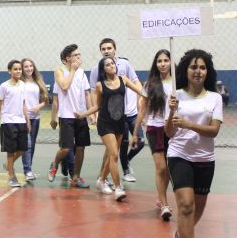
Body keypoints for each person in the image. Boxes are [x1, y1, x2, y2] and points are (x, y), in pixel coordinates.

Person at [166, 49, 222, 238]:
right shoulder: (175, 96)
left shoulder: (214, 98)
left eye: (201, 67)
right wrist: (170, 114)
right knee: (186, 206)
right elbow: (169, 133)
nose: (197, 71)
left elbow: (214, 131)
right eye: (193, 67)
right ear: (185, 71)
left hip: (205, 160)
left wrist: (188, 124)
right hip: (179, 155)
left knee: (196, 210)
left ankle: (181, 234)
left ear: (207, 71)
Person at [79, 56, 145, 201]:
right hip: (105, 123)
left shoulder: (124, 79)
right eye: (107, 65)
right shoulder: (100, 85)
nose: (111, 66)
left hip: (120, 123)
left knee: (112, 155)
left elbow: (140, 91)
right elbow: (97, 106)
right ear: (103, 69)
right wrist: (83, 114)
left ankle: (101, 180)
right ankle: (118, 188)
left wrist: (150, 95)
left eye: (112, 63)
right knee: (114, 154)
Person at [89, 38, 141, 189]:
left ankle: (109, 175)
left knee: (131, 145)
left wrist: (142, 100)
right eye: (103, 49)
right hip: (107, 117)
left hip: (127, 114)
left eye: (109, 48)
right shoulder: (96, 70)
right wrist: (93, 114)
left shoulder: (125, 66)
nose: (106, 51)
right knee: (112, 151)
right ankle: (108, 179)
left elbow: (136, 82)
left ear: (115, 49)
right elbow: (94, 92)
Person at [133, 49, 174, 221]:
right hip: (154, 129)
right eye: (159, 61)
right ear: (156, 64)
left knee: (170, 169)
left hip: (173, 129)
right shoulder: (150, 83)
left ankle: (160, 196)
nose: (163, 64)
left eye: (166, 60)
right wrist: (135, 133)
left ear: (171, 62)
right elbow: (143, 108)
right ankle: (164, 204)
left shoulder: (177, 83)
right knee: (161, 167)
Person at [48, 44, 93, 188]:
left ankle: (76, 177)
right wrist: (53, 117)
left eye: (80, 55)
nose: (79, 58)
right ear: (67, 59)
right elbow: (64, 86)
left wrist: (91, 113)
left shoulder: (82, 73)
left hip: (80, 116)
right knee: (66, 148)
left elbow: (87, 93)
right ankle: (55, 163)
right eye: (76, 55)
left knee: (80, 148)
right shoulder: (59, 71)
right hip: (66, 116)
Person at [0, 60, 30, 187]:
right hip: (8, 122)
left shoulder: (23, 85)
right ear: (10, 71)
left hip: (21, 122)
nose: (18, 71)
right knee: (10, 150)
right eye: (15, 69)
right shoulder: (4, 86)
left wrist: (28, 120)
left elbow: (24, 104)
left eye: (20, 69)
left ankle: (8, 165)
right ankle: (11, 176)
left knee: (22, 149)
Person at [20, 58, 48, 181]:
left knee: (32, 144)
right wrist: (25, 113)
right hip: (22, 118)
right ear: (22, 68)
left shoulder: (38, 82)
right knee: (27, 144)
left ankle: (29, 168)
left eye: (31, 66)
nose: (29, 68)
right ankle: (27, 170)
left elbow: (45, 99)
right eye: (26, 66)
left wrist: (39, 106)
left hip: (35, 118)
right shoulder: (19, 82)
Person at [118, 57, 145, 182]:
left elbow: (141, 97)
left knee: (141, 141)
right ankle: (126, 171)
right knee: (123, 144)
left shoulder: (134, 82)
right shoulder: (117, 83)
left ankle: (127, 159)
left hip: (133, 115)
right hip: (121, 117)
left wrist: (142, 114)